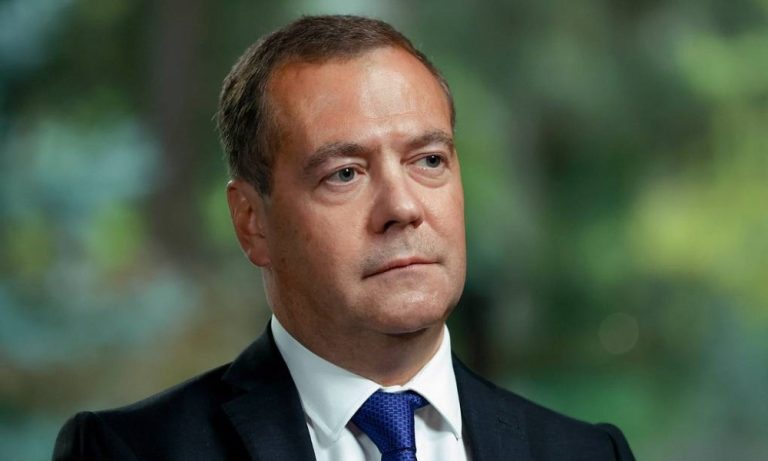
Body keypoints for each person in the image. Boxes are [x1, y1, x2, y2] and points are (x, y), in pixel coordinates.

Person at [53, 15, 635, 461]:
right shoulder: (125, 452)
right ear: (252, 221)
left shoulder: (588, 453)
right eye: (345, 174)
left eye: (429, 160)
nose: (402, 207)